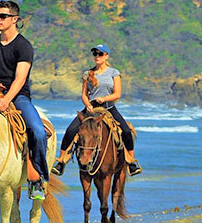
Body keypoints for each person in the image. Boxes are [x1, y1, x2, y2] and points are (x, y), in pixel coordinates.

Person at [0, 0, 49, 200]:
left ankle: (38, 181)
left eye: (3, 16)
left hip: (18, 96)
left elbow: (20, 78)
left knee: (37, 130)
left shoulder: (23, 46)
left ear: (15, 19)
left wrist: (7, 99)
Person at [51, 44, 142, 177]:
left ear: (106, 56)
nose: (97, 56)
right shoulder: (88, 74)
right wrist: (88, 104)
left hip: (108, 107)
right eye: (95, 54)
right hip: (91, 108)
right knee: (70, 130)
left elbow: (117, 94)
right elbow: (84, 94)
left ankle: (131, 163)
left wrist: (104, 98)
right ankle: (61, 162)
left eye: (100, 54)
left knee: (126, 132)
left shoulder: (114, 73)